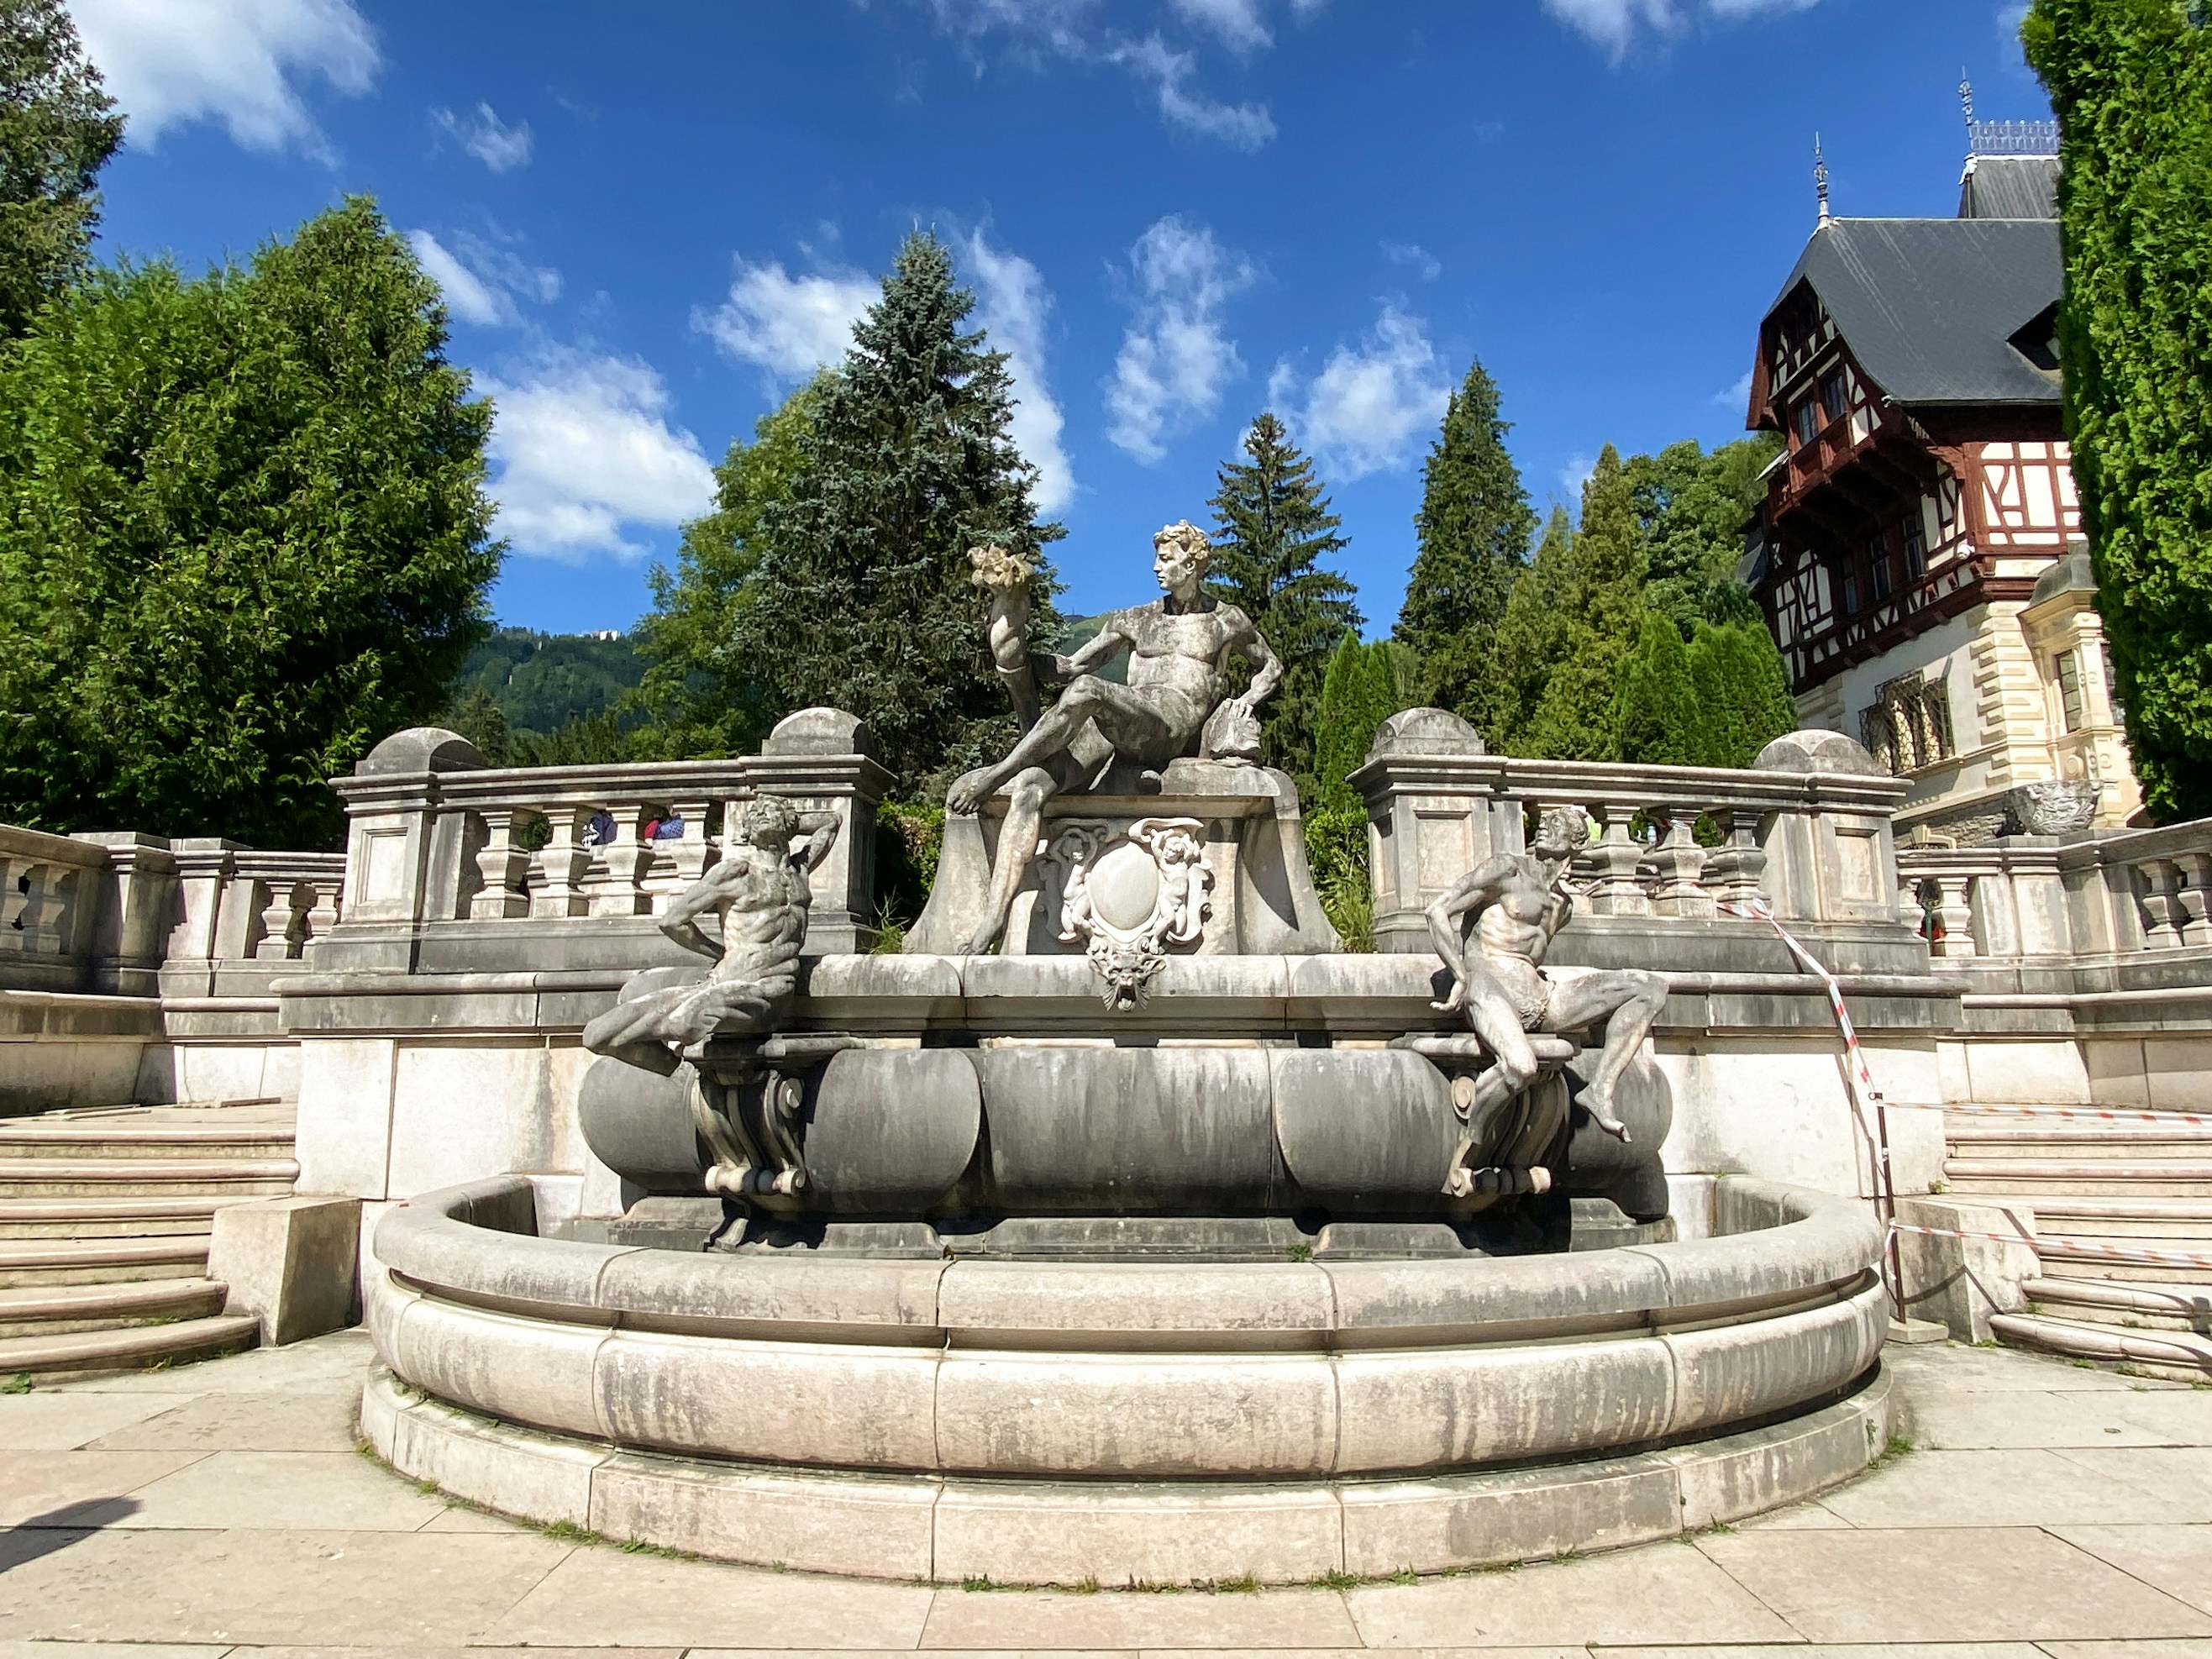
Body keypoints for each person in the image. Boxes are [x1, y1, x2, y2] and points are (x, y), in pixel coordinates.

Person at [943, 520, 1284, 955]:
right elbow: (1071, 669)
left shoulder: (1225, 621)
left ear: (1193, 562)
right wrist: (1015, 642)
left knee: (1088, 694)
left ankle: (996, 775)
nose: (1157, 567)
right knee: (1031, 789)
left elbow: (1270, 667)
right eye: (1157, 558)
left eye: (1166, 558)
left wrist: (1246, 702)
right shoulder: (1136, 619)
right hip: (1125, 718)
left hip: (1171, 722)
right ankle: (993, 919)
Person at [1424, 805, 1669, 1195]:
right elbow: (1437, 911)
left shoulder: (1563, 907)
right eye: (1544, 821)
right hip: (1488, 985)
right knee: (1521, 1066)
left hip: (1538, 996)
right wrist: (1459, 975)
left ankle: (1599, 1091)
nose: (1543, 825)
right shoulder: (1507, 870)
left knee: (1649, 988)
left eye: (1555, 824)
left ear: (1575, 840)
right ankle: (1472, 1141)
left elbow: (1530, 959)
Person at [580, 795, 838, 1073]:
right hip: (721, 984)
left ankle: (686, 1072)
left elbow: (831, 822)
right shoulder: (736, 874)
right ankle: (674, 1070)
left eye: (770, 811)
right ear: (747, 830)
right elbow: (673, 921)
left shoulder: (800, 872)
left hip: (768, 989)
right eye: (755, 813)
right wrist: (720, 953)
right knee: (597, 1034)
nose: (761, 814)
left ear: (788, 822)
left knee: (685, 1020)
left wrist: (790, 821)